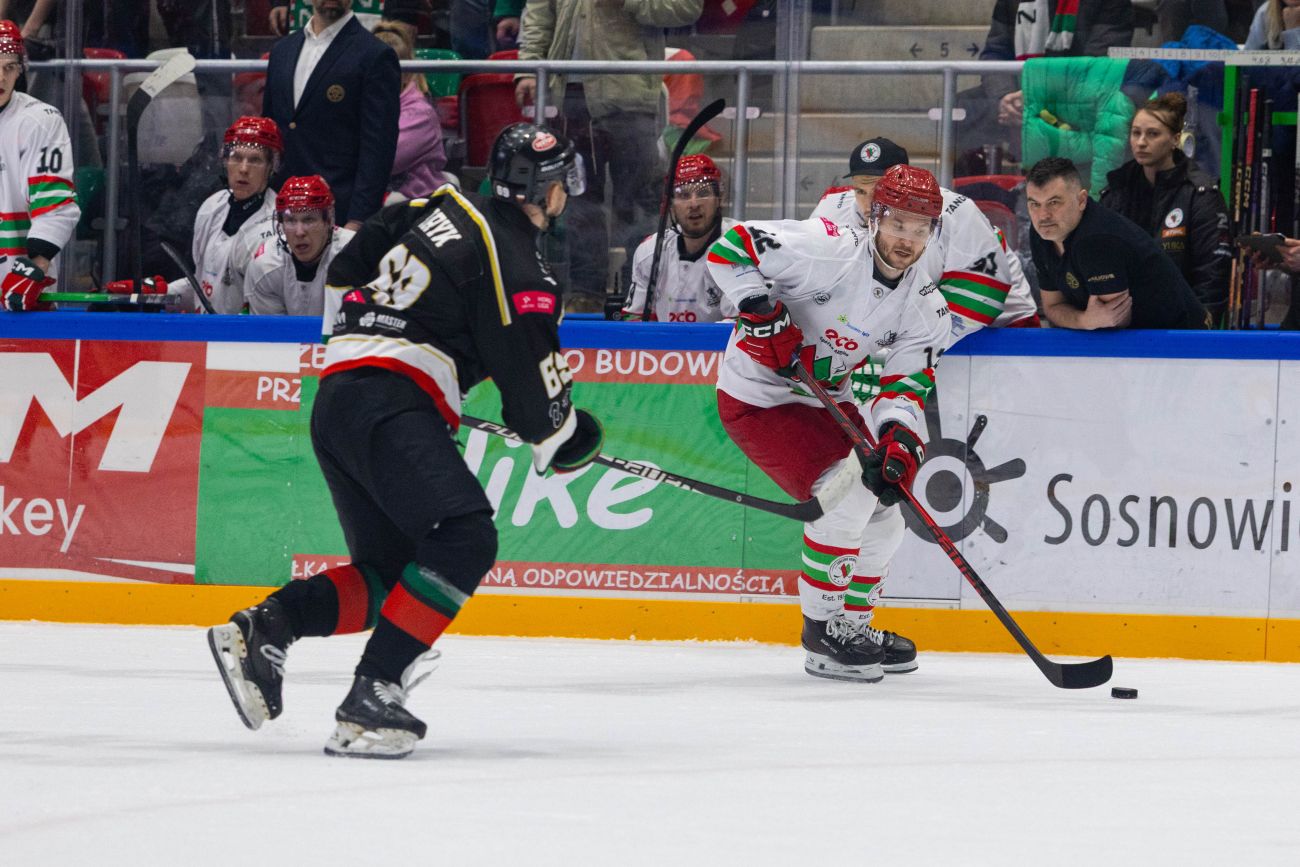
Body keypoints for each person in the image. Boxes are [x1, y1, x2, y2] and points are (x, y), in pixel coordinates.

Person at [207, 123, 603, 759]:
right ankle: (373, 692)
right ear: (547, 192)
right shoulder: (520, 262)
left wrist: (363, 340)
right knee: (466, 538)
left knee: (395, 576)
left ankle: (269, 627)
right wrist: (565, 434)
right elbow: (535, 400)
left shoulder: (437, 205)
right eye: (561, 186)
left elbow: (351, 262)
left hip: (340, 395)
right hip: (392, 402)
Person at [707, 164, 951, 682]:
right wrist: (757, 309)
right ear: (876, 216)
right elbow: (732, 247)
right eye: (898, 223)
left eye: (920, 228)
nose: (907, 240)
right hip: (757, 398)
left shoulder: (926, 308)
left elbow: (904, 387)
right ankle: (821, 633)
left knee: (886, 505)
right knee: (846, 495)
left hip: (824, 401)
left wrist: (898, 439)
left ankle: (853, 625)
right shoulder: (827, 247)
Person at [514, 0, 704, 299]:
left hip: (629, 95)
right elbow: (539, 14)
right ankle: (585, 293)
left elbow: (685, 8)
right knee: (579, 200)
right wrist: (529, 68)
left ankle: (641, 291)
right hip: (570, 98)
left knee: (639, 199)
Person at [812, 137, 1040, 341]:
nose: (868, 202)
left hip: (1003, 324)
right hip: (918, 318)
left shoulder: (954, 213)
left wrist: (909, 342)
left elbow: (984, 293)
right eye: (860, 190)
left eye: (880, 188)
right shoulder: (833, 210)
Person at [263, 0, 400, 230]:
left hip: (339, 211)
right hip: (281, 206)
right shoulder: (282, 51)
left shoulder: (375, 55)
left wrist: (359, 219)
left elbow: (378, 148)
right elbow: (271, 130)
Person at [1026, 156, 1208, 330]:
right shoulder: (1042, 234)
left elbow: (1112, 322)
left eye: (1054, 202)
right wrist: (1083, 320)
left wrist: (1085, 321)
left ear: (1081, 200)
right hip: (1139, 336)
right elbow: (1053, 307)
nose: (1043, 216)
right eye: (1034, 204)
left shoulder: (1097, 239)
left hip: (1182, 336)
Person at [955, 0, 1134, 170]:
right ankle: (972, 188)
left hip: (1077, 97)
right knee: (958, 107)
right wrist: (1004, 97)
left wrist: (1037, 96)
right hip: (1018, 95)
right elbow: (995, 53)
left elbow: (1098, 65)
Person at [1099, 93, 1231, 323]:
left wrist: (1201, 326)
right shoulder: (1116, 190)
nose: (1141, 142)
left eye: (1153, 134)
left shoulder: (1200, 193)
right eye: (1136, 133)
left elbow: (1213, 272)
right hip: (1121, 324)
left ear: (1175, 139)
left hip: (1181, 325)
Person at [0, 19, 79, 312]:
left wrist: (37, 266)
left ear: (20, 70)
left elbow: (54, 206)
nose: (1, 77)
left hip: (17, 289)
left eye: (9, 67)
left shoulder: (40, 121)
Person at [166, 116, 280, 314]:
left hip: (248, 332)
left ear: (271, 167)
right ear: (225, 161)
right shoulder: (212, 207)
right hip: (207, 331)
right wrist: (158, 293)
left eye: (255, 160)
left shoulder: (279, 225)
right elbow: (203, 285)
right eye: (236, 157)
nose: (243, 169)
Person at [620, 155, 737, 323]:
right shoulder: (650, 252)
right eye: (683, 195)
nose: (694, 204)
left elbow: (741, 328)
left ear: (720, 199)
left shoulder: (739, 247)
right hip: (665, 342)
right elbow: (633, 320)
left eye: (703, 193)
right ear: (671, 204)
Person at [245, 175, 355, 328]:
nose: (299, 232)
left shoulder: (354, 256)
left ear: (329, 220)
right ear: (281, 223)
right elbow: (272, 335)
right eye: (290, 220)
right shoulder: (266, 266)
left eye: (309, 220)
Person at [370, 21, 448, 199]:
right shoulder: (359, 103)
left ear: (405, 74)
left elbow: (380, 162)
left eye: (386, 70)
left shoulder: (420, 114)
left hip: (416, 203)